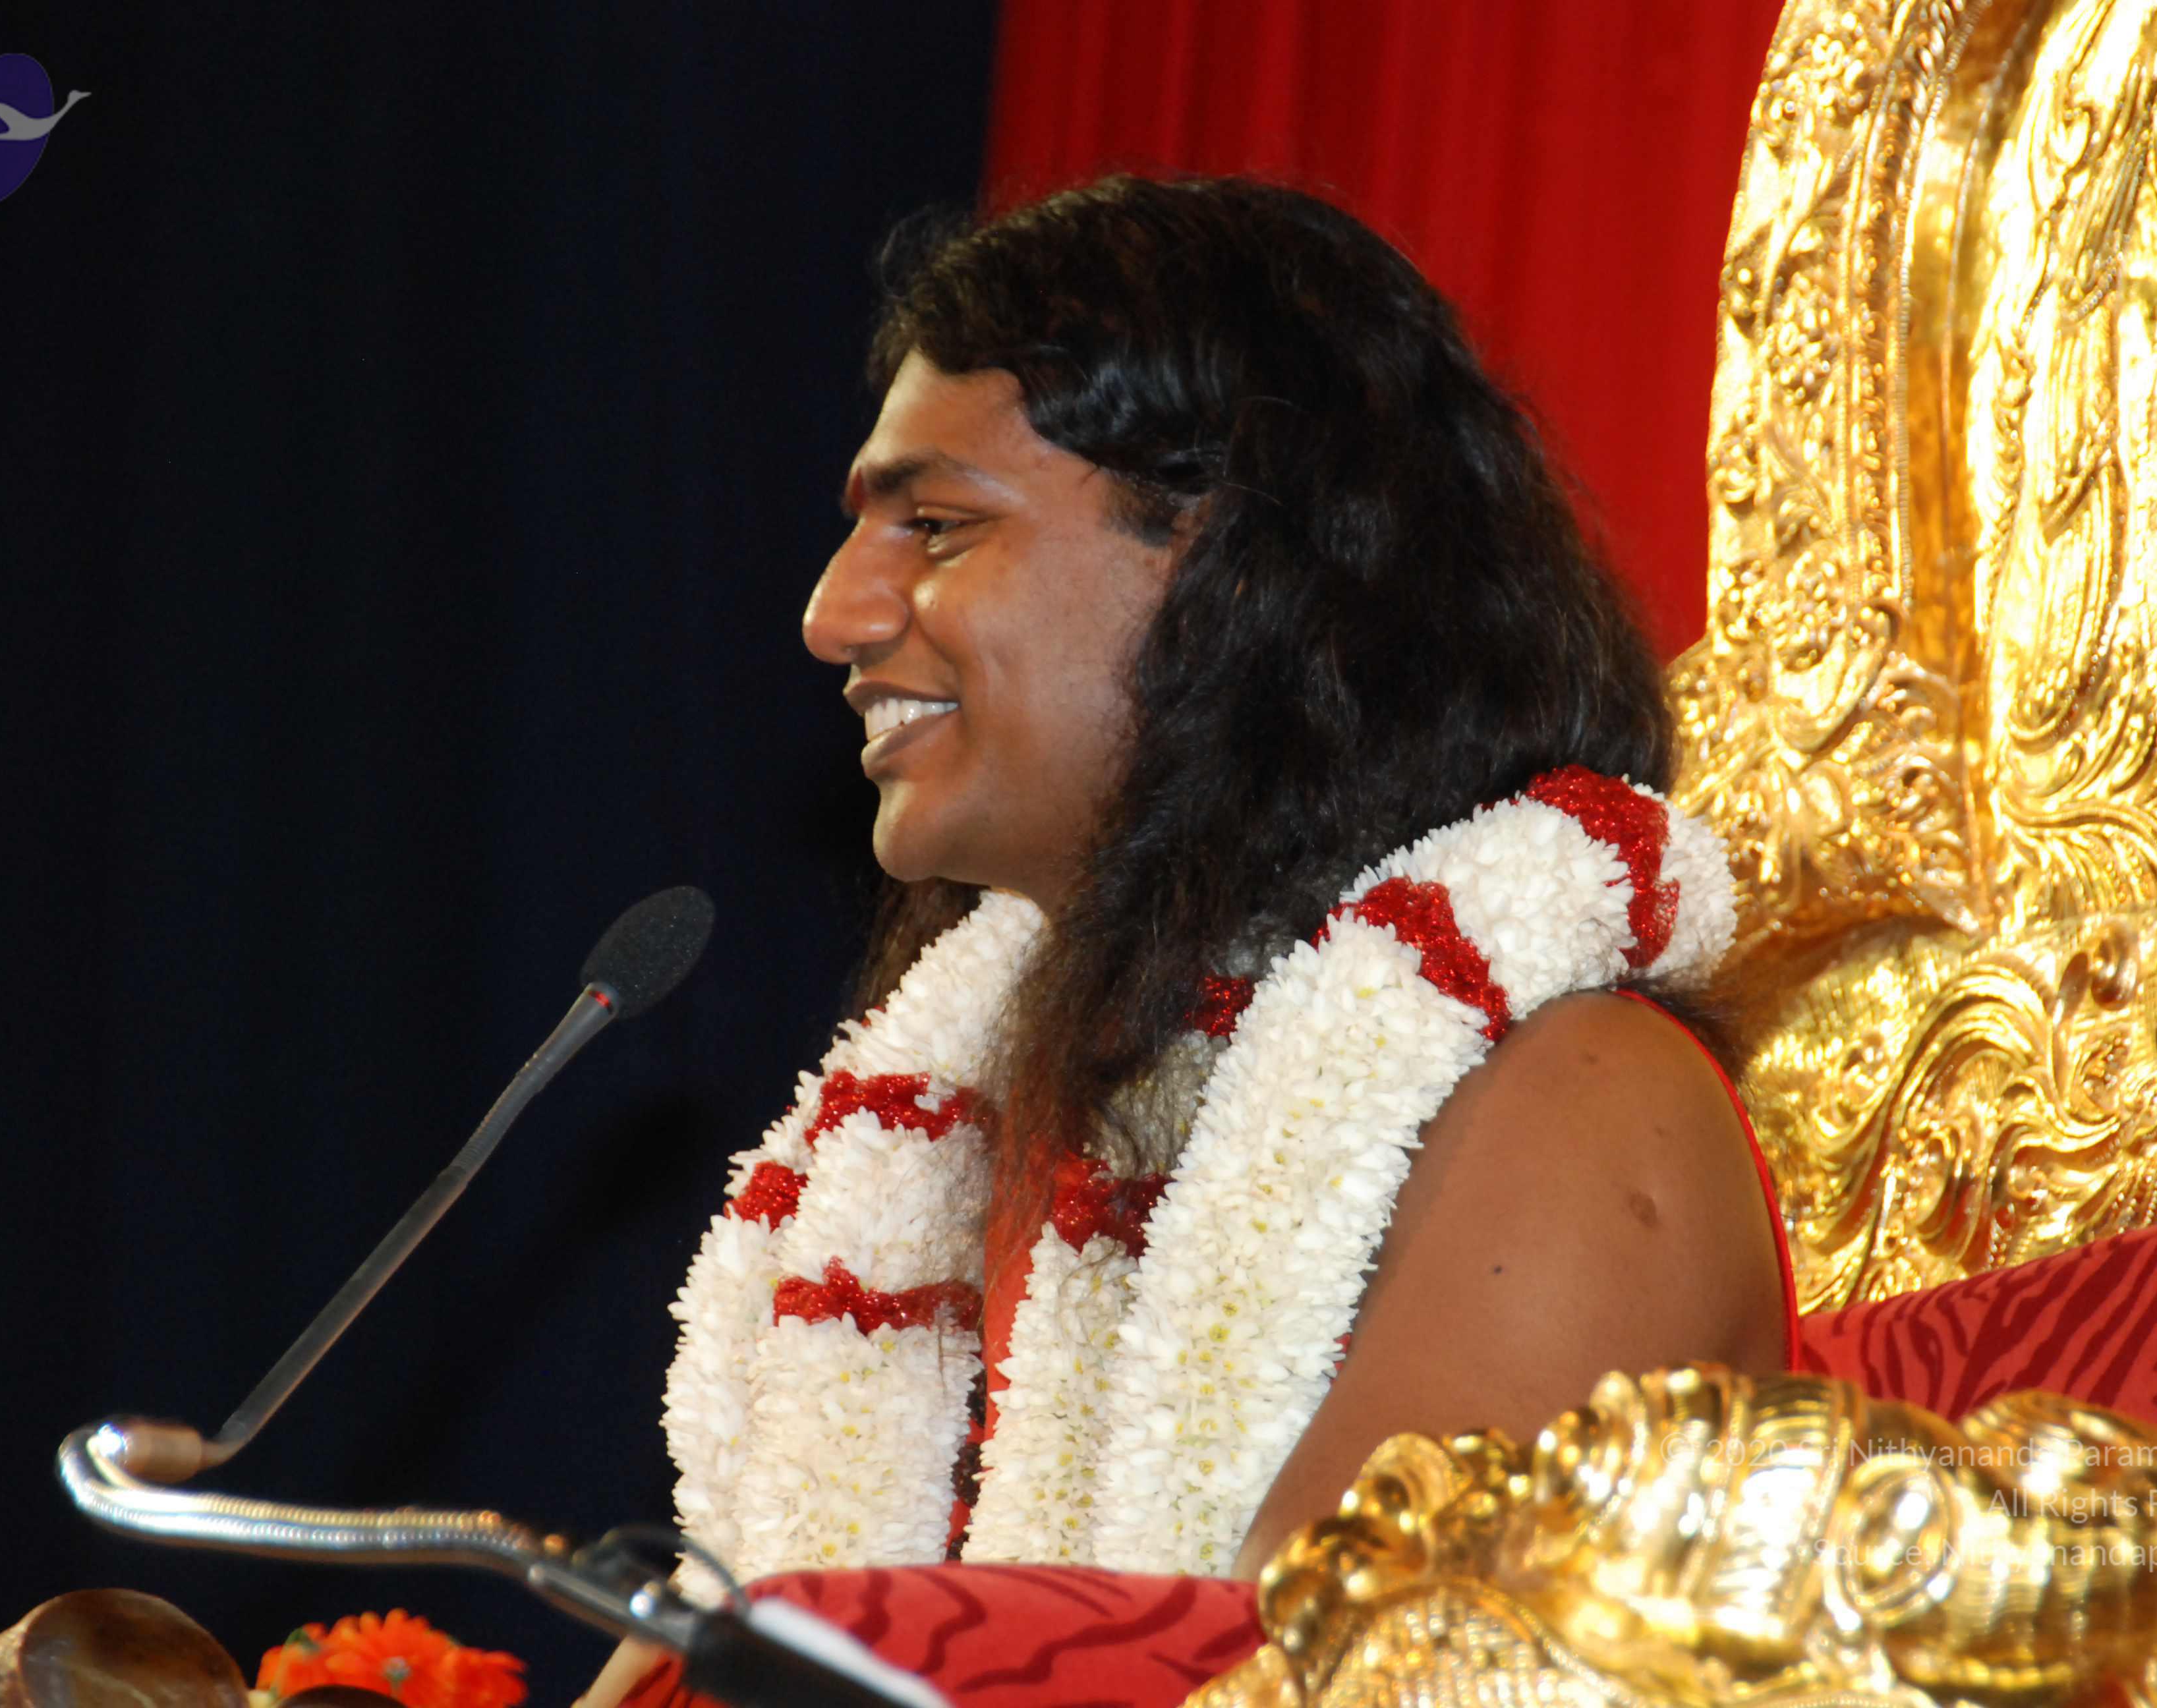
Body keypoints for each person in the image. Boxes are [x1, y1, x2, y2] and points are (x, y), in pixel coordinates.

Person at [580, 173, 1793, 1707]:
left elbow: (1347, 1682)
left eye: (937, 527)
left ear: (1237, 571)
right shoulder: (955, 1143)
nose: (835, 615)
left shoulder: (1578, 1097)